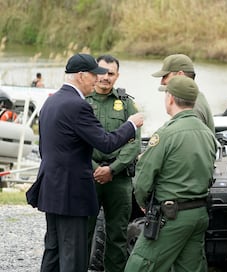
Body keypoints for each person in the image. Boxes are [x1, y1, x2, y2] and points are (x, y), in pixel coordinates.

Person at [25, 53, 144, 272]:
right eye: (94, 75)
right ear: (81, 75)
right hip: (71, 193)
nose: (98, 79)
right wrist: (131, 124)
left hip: (52, 189)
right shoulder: (77, 105)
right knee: (74, 256)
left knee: (53, 251)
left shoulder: (51, 101)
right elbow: (106, 143)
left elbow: (45, 149)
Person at [125, 76, 217, 272]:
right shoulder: (207, 133)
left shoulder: (166, 134)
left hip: (171, 216)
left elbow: (144, 177)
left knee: (139, 266)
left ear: (170, 99)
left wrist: (142, 202)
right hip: (199, 213)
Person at [85, 54, 141, 272]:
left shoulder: (127, 104)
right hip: (89, 176)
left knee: (117, 236)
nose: (105, 78)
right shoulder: (83, 101)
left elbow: (134, 143)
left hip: (118, 179)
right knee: (84, 232)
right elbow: (77, 142)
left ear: (117, 76)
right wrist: (95, 169)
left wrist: (112, 169)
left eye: (111, 74)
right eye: (101, 72)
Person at [152, 54, 215, 133]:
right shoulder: (195, 98)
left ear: (180, 75)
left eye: (165, 76)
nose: (162, 81)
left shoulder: (191, 108)